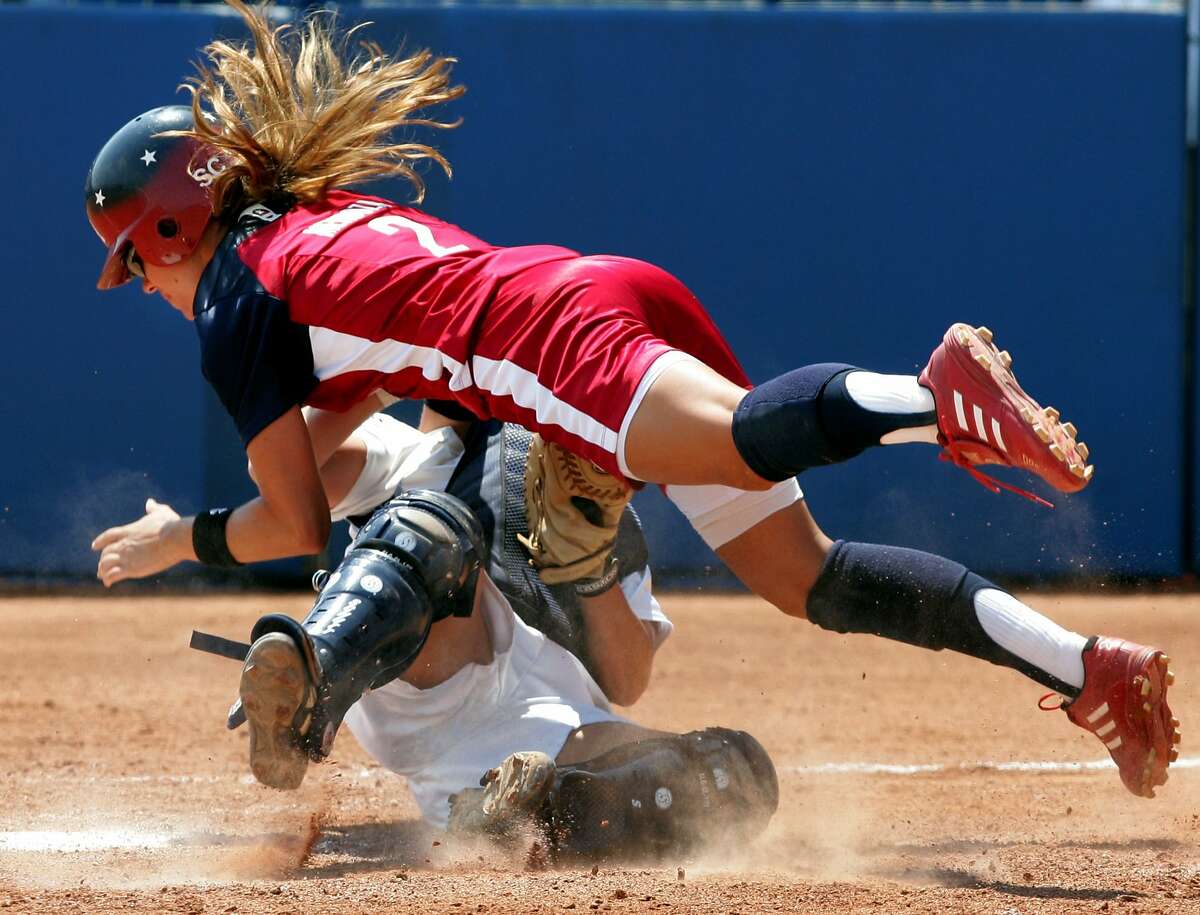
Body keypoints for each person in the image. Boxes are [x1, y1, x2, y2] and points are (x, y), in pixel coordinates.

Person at [88, 0, 1177, 799]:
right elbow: (351, 411)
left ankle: (931, 399)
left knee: (741, 446)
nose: (146, 287)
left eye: (139, 261)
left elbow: (296, 521)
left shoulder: (239, 299)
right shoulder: (314, 227)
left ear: (181, 221)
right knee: (812, 578)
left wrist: (177, 541)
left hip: (544, 346)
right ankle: (1088, 670)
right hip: (593, 286)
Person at [190, 408, 779, 863]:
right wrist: (377, 382)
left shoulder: (610, 515)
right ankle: (311, 684)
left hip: (537, 718)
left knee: (731, 774)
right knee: (428, 527)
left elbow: (625, 681)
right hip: (416, 673)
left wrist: (592, 566)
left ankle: (528, 816)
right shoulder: (421, 453)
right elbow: (287, 472)